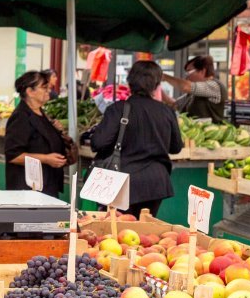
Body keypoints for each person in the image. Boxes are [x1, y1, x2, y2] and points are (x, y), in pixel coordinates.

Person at [91, 61, 183, 216]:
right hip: (156, 183)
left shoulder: (118, 109)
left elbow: (98, 143)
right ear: (156, 85)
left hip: (122, 181)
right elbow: (176, 147)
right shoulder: (167, 111)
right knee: (145, 231)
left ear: (129, 82)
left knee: (118, 232)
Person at [5, 71, 67, 197]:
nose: (48, 90)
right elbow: (13, 155)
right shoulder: (21, 117)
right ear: (30, 92)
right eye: (44, 88)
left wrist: (57, 130)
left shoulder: (42, 114)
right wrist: (46, 159)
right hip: (27, 190)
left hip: (47, 185)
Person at [166, 55, 226, 123]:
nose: (187, 77)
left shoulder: (214, 86)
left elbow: (185, 87)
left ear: (202, 71)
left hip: (210, 132)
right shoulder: (195, 93)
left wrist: (164, 77)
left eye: (189, 72)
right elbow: (175, 104)